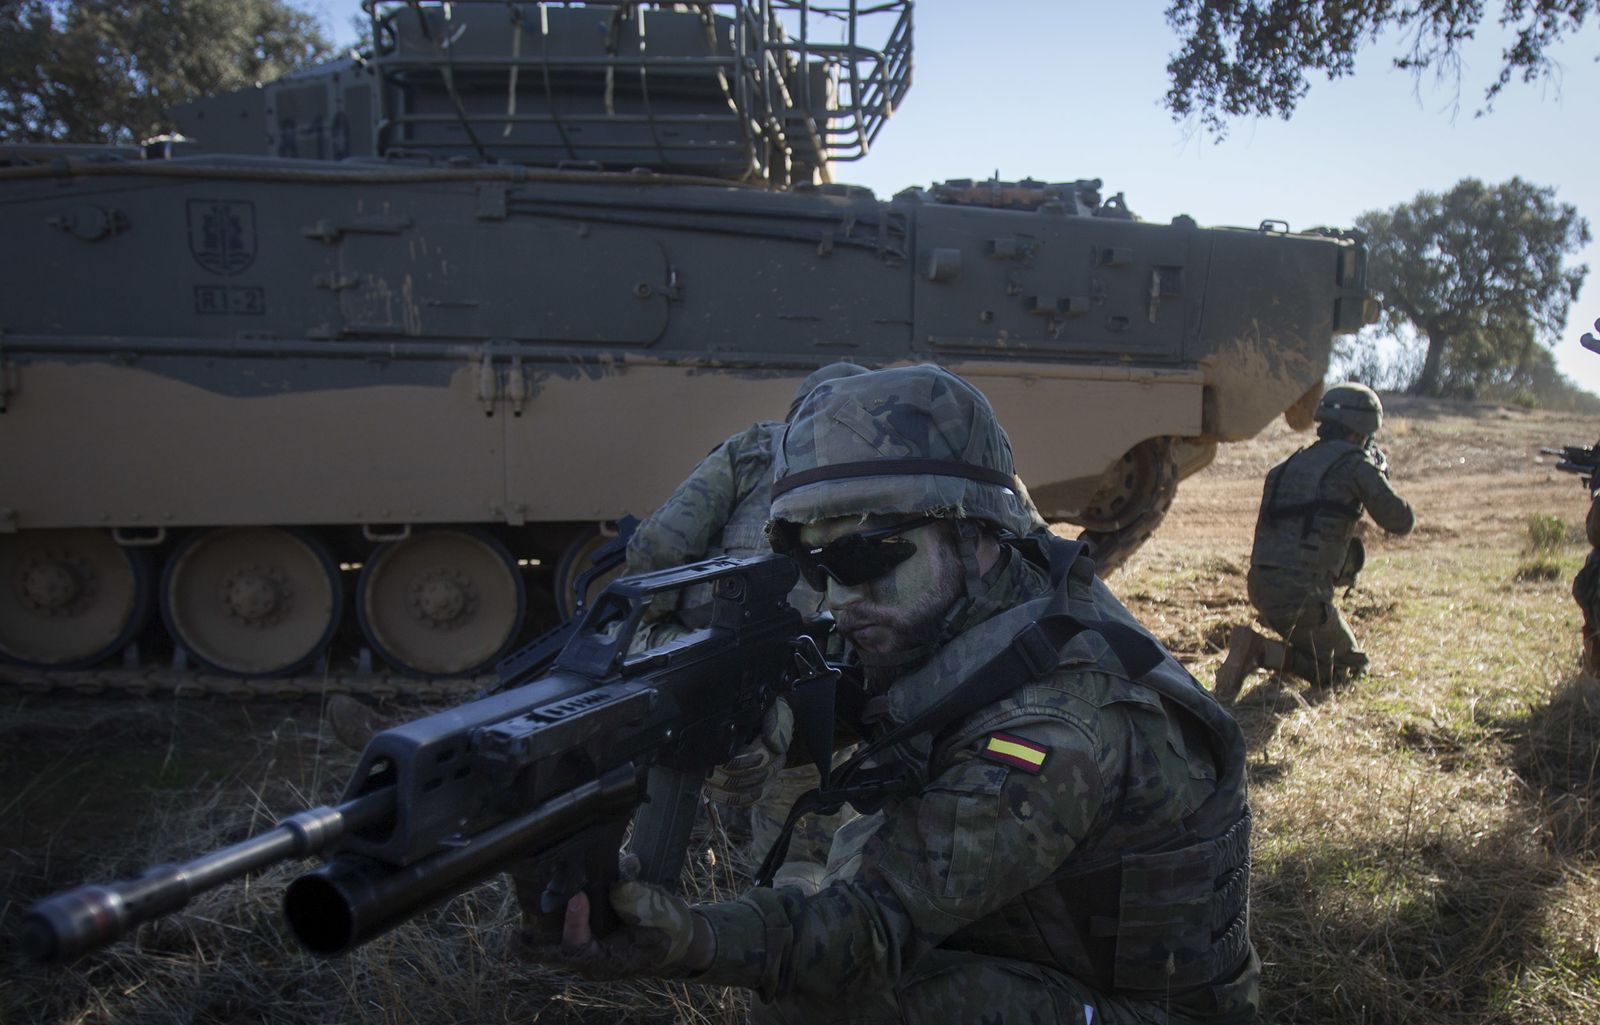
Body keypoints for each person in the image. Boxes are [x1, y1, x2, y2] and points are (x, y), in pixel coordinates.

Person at [520, 364, 1258, 1024]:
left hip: (1150, 1005)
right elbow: (877, 692)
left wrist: (697, 937)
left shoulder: (1054, 727)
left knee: (821, 1003)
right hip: (1049, 943)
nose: (838, 595)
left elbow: (868, 933)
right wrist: (773, 718)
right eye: (812, 561)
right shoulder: (1003, 594)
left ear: (978, 536)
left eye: (863, 554)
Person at [624, 361, 871, 895]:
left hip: (706, 650)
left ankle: (667, 891)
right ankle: (778, 905)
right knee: (799, 847)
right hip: (810, 675)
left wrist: (658, 626)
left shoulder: (755, 449)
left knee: (683, 762)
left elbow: (658, 546)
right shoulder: (878, 470)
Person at [1214, 382, 1414, 703]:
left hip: (1262, 587)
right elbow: (1400, 521)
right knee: (1346, 670)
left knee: (1315, 641)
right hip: (1302, 598)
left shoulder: (1288, 464)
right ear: (1361, 430)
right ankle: (1259, 650)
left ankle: (1276, 648)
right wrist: (1376, 473)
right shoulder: (1355, 465)